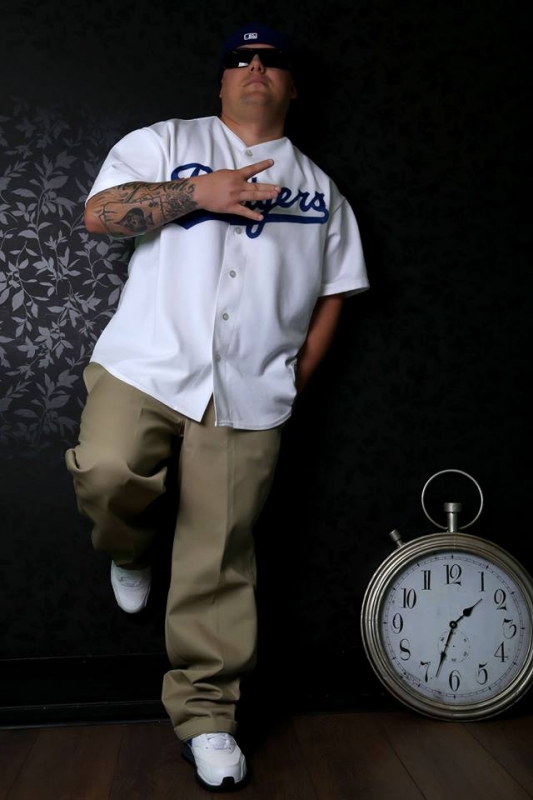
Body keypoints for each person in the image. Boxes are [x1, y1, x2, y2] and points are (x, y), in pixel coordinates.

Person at [65, 22, 369, 792]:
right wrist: (198, 193)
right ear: (222, 80)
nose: (255, 68)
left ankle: (207, 717)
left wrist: (297, 374)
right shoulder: (166, 142)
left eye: (271, 61)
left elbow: (337, 291)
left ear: (291, 86)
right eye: (240, 59)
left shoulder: (322, 192)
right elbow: (98, 214)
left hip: (250, 392)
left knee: (219, 556)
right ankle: (129, 545)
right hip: (146, 365)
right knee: (106, 470)